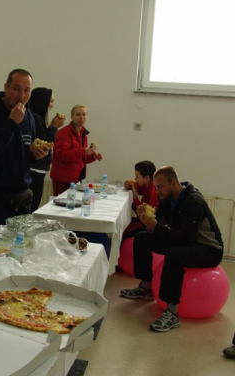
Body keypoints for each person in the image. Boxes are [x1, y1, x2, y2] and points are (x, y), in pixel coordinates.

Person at [120, 166, 224, 332]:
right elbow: (157, 225)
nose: (157, 191)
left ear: (174, 183)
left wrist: (156, 227)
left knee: (175, 254)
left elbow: (186, 239)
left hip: (209, 250)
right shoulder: (167, 198)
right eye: (156, 187)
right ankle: (146, 287)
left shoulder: (193, 202)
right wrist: (145, 220)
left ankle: (172, 313)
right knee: (142, 238)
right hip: (188, 242)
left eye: (160, 187)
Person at [0, 69, 49, 249]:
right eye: (16, 88)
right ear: (6, 88)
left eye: (26, 90)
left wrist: (35, 156)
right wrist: (11, 123)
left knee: (19, 251)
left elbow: (24, 155)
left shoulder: (28, 117)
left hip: (22, 198)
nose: (21, 95)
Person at [50, 104, 102, 196]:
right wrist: (83, 151)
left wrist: (92, 156)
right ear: (72, 116)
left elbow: (80, 158)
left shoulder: (83, 134)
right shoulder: (64, 133)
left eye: (84, 114)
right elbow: (62, 155)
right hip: (63, 180)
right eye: (78, 114)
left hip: (77, 180)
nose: (81, 117)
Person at [28, 87, 65, 212]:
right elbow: (44, 144)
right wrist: (54, 128)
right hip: (34, 168)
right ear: (42, 101)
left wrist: (51, 127)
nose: (52, 105)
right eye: (50, 101)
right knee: (32, 208)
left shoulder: (37, 117)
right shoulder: (35, 117)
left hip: (38, 169)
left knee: (33, 206)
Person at [122, 160, 159, 239]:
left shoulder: (153, 192)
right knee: (123, 224)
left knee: (123, 231)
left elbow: (144, 217)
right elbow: (138, 187)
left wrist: (135, 199)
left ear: (146, 178)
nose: (135, 179)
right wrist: (130, 185)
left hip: (146, 225)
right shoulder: (147, 186)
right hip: (143, 220)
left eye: (137, 176)